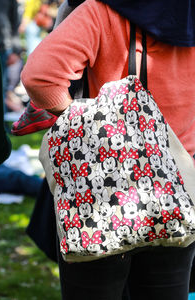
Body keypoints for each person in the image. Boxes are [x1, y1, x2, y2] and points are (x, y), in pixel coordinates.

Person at [20, 1, 195, 300]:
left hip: (102, 186)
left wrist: (86, 123)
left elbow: (41, 77)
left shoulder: (103, 10)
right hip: (180, 189)